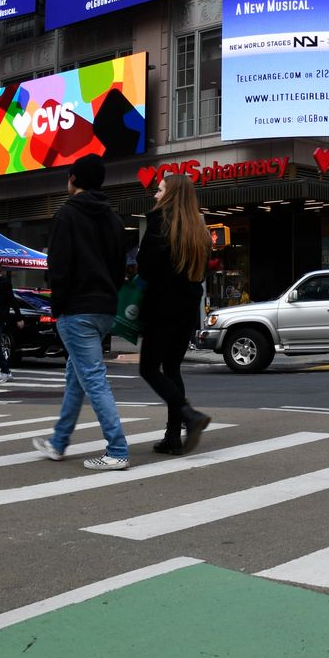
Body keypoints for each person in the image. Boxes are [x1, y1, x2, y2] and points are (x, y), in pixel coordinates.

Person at [32, 155, 133, 471]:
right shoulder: (114, 220)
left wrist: (59, 306)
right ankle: (59, 442)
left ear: (73, 179)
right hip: (104, 308)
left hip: (76, 309)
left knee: (91, 377)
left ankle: (117, 449)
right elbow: (121, 268)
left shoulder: (67, 215)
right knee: (77, 375)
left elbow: (58, 266)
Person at [137, 172, 212, 456]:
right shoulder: (199, 228)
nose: (155, 195)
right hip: (187, 310)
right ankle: (172, 437)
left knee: (148, 368)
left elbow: (144, 266)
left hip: (162, 307)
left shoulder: (159, 222)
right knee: (171, 369)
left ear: (170, 194)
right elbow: (203, 271)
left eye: (159, 190)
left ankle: (188, 414)